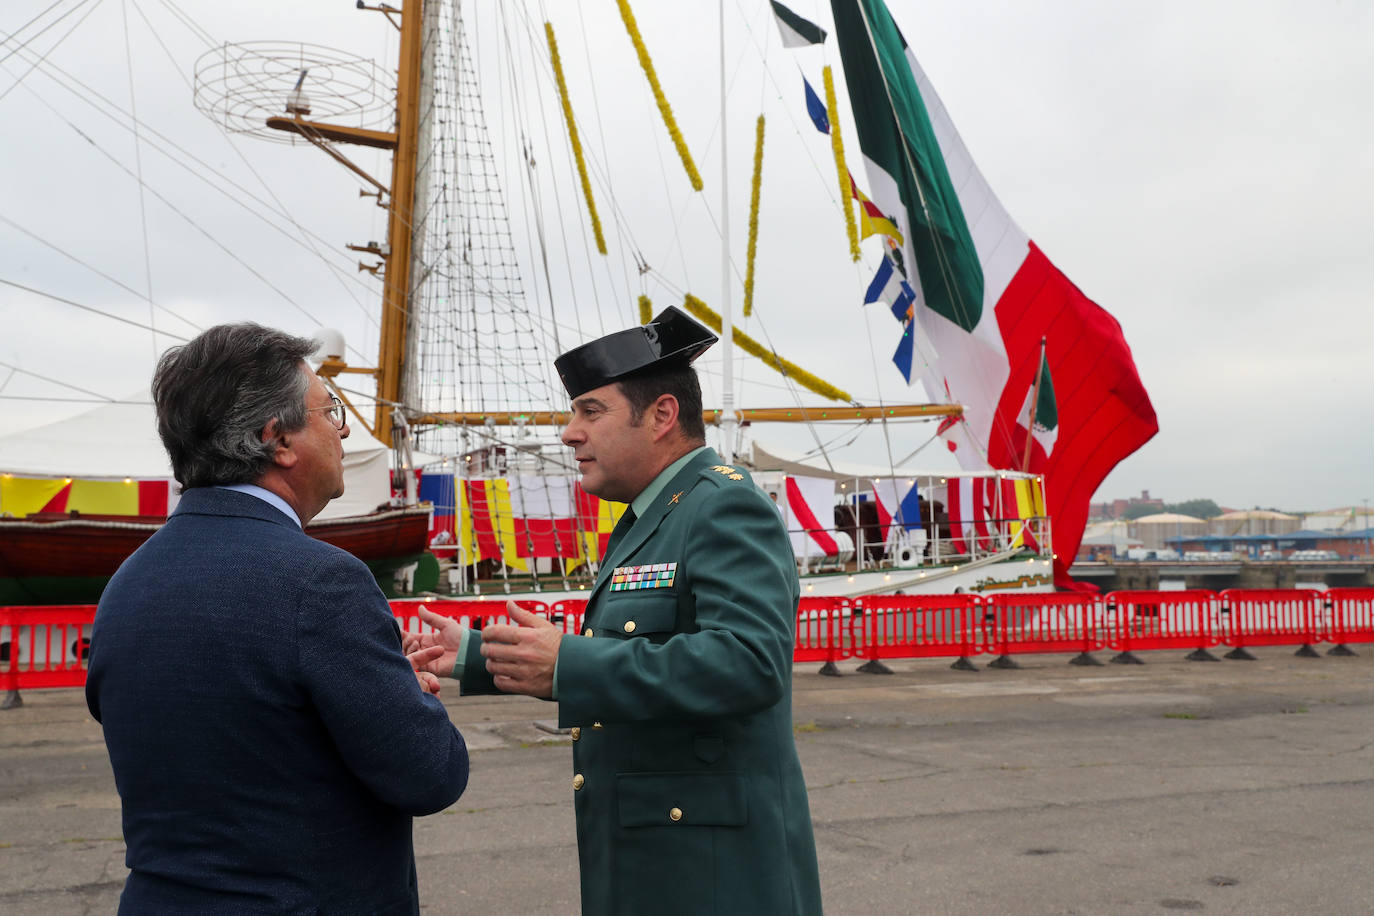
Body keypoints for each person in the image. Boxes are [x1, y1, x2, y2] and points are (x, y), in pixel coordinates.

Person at [410, 307, 824, 915]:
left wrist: (569, 666)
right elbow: (635, 646)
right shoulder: (649, 518)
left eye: (591, 411)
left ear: (661, 415)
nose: (569, 432)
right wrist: (475, 657)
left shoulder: (722, 507)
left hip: (713, 876)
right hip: (654, 862)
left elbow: (749, 663)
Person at [86, 323, 469, 915]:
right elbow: (430, 775)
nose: (342, 431)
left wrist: (375, 694)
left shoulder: (128, 582)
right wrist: (404, 698)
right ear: (279, 440)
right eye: (330, 411)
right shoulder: (320, 582)